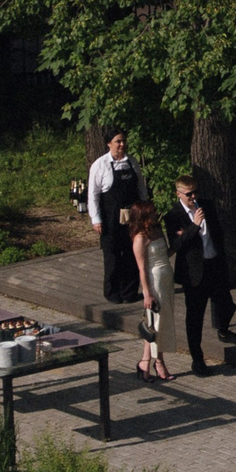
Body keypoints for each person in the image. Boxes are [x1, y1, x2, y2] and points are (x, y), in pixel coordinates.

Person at [165, 177, 236, 373]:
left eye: (195, 192)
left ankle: (223, 330)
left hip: (214, 264)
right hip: (194, 272)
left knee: (227, 304)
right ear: (178, 194)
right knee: (195, 317)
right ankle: (197, 359)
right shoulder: (173, 215)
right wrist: (194, 226)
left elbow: (218, 232)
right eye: (188, 194)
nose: (193, 197)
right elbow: (176, 245)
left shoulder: (207, 205)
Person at [84, 130, 147, 305]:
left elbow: (141, 187)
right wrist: (96, 219)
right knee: (112, 255)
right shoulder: (100, 165)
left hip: (132, 215)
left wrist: (145, 209)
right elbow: (93, 195)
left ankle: (129, 292)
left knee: (131, 253)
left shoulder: (132, 162)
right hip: (110, 217)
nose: (122, 144)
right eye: (118, 141)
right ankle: (112, 292)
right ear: (109, 144)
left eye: (123, 141)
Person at [125, 198, 172, 382]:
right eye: (151, 213)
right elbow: (142, 268)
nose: (155, 215)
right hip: (154, 281)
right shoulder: (140, 238)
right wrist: (147, 293)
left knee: (161, 322)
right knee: (155, 322)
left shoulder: (157, 231)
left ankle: (147, 361)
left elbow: (166, 252)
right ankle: (156, 362)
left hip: (166, 277)